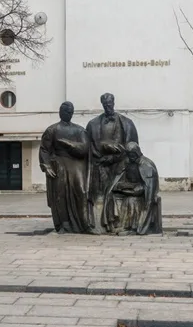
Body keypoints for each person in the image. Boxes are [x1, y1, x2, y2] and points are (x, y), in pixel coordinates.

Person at [85, 93, 139, 233]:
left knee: (114, 194)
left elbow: (133, 148)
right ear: (102, 105)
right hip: (100, 165)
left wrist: (114, 157)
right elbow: (88, 147)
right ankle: (99, 223)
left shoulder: (127, 123)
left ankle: (116, 222)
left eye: (110, 104)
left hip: (121, 166)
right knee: (99, 196)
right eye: (105, 105)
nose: (108, 107)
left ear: (113, 103)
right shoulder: (92, 124)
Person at [39, 102, 92, 233]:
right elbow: (44, 149)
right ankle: (63, 223)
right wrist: (46, 166)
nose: (68, 114)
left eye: (70, 112)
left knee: (82, 190)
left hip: (76, 163)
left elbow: (84, 148)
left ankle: (84, 223)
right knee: (60, 194)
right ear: (60, 112)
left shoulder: (79, 130)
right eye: (65, 111)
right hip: (59, 163)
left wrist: (69, 144)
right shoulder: (52, 130)